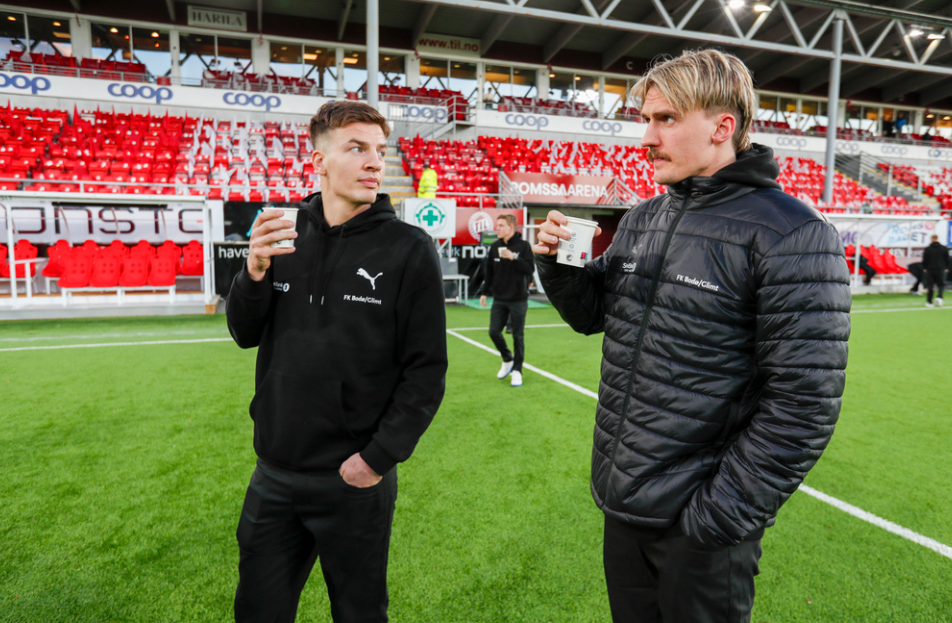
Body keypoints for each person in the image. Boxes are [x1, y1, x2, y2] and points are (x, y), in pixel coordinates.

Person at [532, 49, 851, 623]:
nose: (645, 137)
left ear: (722, 127)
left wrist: (714, 520)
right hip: (623, 504)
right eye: (646, 119)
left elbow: (805, 402)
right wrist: (558, 265)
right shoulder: (642, 217)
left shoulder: (794, 233)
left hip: (701, 528)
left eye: (665, 119)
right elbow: (592, 314)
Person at [226, 100, 448, 623]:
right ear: (319, 159)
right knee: (257, 610)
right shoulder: (282, 233)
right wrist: (253, 270)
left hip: (354, 480)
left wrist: (376, 459)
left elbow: (426, 372)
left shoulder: (409, 248)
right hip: (274, 474)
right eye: (357, 148)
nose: (375, 162)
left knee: (359, 613)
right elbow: (243, 332)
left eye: (379, 150)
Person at [479, 214, 535, 387]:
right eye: (498, 225)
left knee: (518, 337)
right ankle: (507, 359)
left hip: (518, 299)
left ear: (511, 228)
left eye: (501, 225)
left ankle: (517, 371)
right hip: (499, 299)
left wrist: (514, 258)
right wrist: (484, 292)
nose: (497, 228)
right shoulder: (495, 246)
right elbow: (489, 271)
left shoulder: (524, 246)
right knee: (493, 332)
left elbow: (530, 268)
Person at [922, 233, 949, 307]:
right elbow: (947, 259)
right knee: (941, 284)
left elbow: (924, 260)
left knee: (930, 286)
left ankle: (929, 301)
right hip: (940, 269)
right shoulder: (944, 248)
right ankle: (939, 297)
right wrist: (946, 267)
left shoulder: (928, 249)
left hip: (930, 270)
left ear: (931, 239)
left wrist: (925, 267)